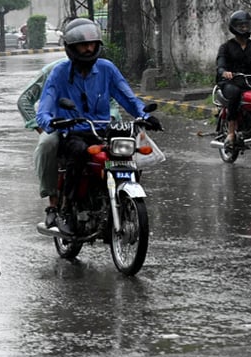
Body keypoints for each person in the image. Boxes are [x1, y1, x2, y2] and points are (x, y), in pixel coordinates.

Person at [35, 18, 161, 235]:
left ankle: (119, 198)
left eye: (92, 44)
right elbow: (46, 103)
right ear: (71, 48)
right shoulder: (60, 72)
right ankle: (65, 209)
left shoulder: (107, 69)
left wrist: (143, 115)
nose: (89, 48)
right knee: (77, 154)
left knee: (126, 154)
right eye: (83, 45)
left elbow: (127, 97)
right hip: (72, 130)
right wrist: (49, 120)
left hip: (102, 129)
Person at [18, 56, 122, 231]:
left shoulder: (100, 72)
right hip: (60, 126)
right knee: (47, 145)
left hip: (95, 126)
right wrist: (41, 128)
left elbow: (112, 102)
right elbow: (24, 100)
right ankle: (54, 203)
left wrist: (111, 119)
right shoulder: (52, 71)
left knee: (123, 144)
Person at [215, 10, 251, 149]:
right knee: (235, 93)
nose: (244, 28)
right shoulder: (226, 47)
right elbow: (220, 63)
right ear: (234, 27)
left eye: (246, 25)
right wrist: (224, 72)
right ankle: (230, 132)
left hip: (250, 82)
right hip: (230, 82)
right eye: (241, 26)